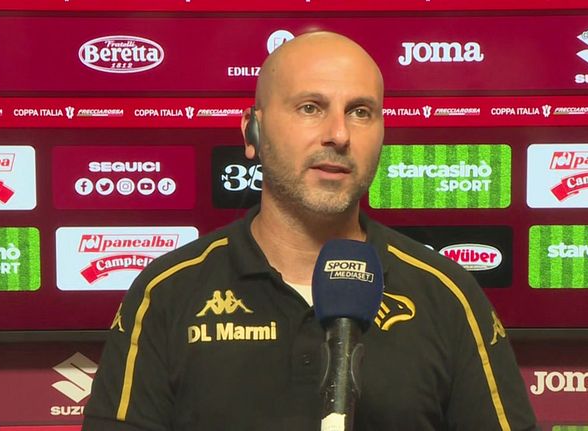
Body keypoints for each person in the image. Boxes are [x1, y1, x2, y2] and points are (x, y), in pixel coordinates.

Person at [83, 31, 539, 430]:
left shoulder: (449, 296)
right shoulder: (165, 294)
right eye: (310, 107)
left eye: (360, 112)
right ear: (253, 132)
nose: (339, 134)